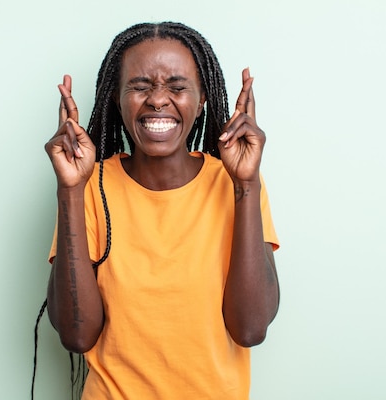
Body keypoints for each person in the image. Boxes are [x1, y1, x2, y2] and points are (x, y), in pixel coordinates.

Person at [43, 21, 280, 400]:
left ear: (201, 98)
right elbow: (76, 335)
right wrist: (69, 189)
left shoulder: (236, 183)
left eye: (177, 86)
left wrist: (246, 185)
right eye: (139, 86)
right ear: (116, 101)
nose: (157, 99)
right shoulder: (90, 187)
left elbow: (250, 330)